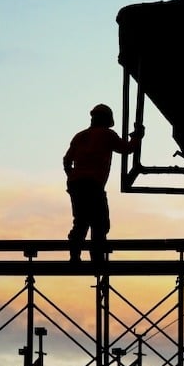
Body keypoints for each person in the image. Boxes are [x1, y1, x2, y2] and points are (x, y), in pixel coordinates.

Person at [63, 103, 141, 264]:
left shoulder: (80, 136)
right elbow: (127, 149)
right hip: (93, 185)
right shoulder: (107, 135)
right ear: (107, 120)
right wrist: (137, 136)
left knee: (81, 221)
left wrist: (73, 177)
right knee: (99, 222)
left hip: (76, 185)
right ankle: (97, 260)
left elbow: (66, 160)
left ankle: (74, 257)